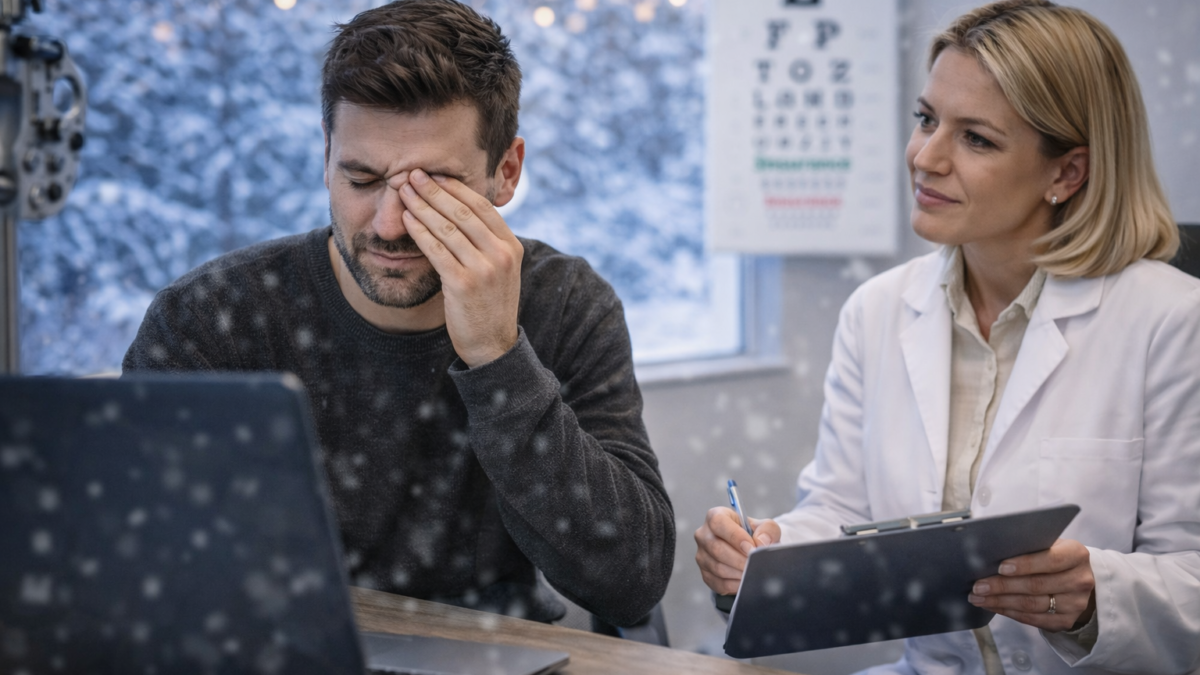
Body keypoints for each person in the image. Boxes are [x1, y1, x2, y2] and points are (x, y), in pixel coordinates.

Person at [123, 0, 674, 629]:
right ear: (326, 154)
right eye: (361, 179)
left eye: (433, 189)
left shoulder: (566, 305)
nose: (389, 225)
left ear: (506, 172)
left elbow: (631, 580)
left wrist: (499, 358)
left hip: (497, 660)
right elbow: (135, 574)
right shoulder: (210, 320)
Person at [695, 1, 1200, 673]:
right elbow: (844, 508)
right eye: (927, 120)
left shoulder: (1172, 322)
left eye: (976, 139)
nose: (925, 158)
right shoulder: (876, 310)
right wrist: (768, 548)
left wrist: (1094, 597)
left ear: (1066, 173)